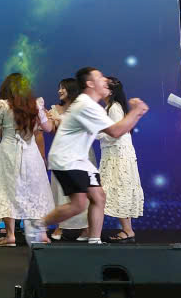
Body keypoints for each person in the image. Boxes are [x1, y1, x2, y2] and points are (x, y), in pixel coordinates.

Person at [42, 68, 147, 246]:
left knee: (98, 197)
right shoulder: (86, 105)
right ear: (90, 84)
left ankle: (94, 240)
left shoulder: (92, 105)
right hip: (67, 159)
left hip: (80, 159)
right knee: (78, 204)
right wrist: (136, 111)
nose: (104, 80)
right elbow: (116, 131)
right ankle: (37, 225)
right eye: (100, 77)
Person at [0, 73, 54, 247]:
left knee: (7, 189)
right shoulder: (36, 105)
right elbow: (48, 128)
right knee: (35, 189)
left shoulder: (3, 105)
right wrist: (48, 116)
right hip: (31, 153)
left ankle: (10, 236)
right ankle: (41, 234)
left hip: (8, 152)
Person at [100, 77, 145, 244]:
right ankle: (127, 229)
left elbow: (116, 133)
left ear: (110, 91)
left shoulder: (114, 108)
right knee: (117, 188)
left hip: (117, 154)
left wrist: (95, 133)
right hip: (114, 153)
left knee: (118, 188)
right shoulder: (111, 107)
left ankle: (127, 230)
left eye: (103, 85)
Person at [45, 78, 89, 241]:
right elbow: (52, 132)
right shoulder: (55, 109)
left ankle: (87, 228)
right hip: (61, 153)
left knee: (83, 190)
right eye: (59, 88)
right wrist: (48, 119)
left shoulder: (82, 108)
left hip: (81, 153)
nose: (59, 91)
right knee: (60, 190)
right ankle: (60, 226)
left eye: (63, 88)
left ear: (72, 89)